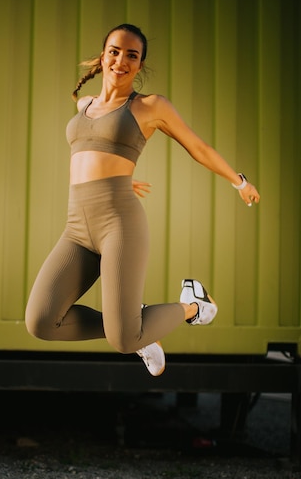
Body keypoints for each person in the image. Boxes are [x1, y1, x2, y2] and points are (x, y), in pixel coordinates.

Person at [25, 23, 260, 377]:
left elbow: (197, 147)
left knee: (122, 340)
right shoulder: (85, 104)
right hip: (76, 228)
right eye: (115, 51)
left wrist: (238, 181)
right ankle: (140, 328)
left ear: (139, 65)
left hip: (118, 223)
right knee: (41, 321)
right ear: (103, 56)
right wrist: (117, 177)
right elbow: (93, 151)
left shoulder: (150, 106)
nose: (121, 60)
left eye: (131, 55)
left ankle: (192, 306)